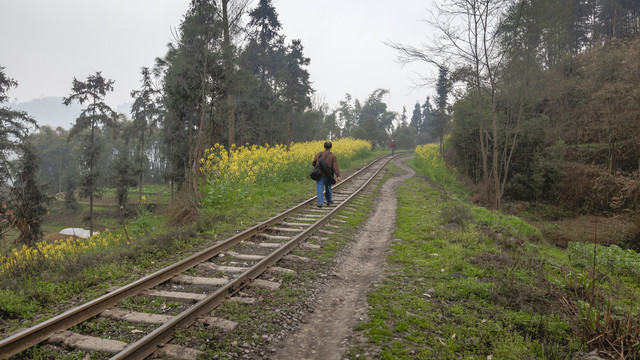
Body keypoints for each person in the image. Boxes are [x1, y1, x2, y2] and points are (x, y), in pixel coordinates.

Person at [312, 141, 341, 207]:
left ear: (324, 147)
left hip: (319, 175)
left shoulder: (319, 154)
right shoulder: (332, 156)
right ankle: (329, 200)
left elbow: (313, 162)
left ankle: (320, 203)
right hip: (328, 175)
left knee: (319, 188)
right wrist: (338, 175)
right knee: (328, 188)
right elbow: (335, 167)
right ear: (331, 147)